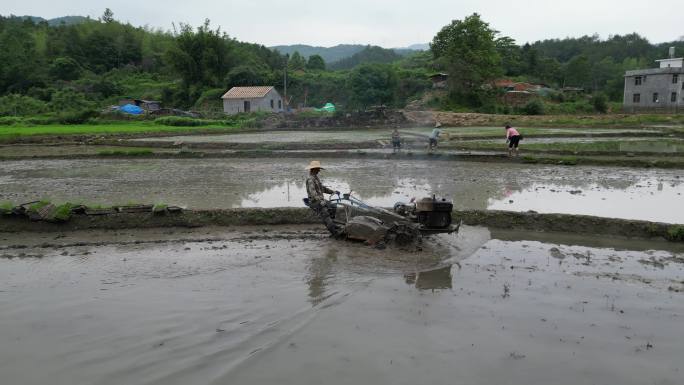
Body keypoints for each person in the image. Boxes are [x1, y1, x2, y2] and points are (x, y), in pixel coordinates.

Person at [305, 160, 343, 237]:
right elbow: (313, 193)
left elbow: (322, 188)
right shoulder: (310, 180)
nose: (319, 170)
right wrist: (321, 201)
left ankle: (332, 224)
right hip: (314, 201)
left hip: (320, 200)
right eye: (318, 169)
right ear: (314, 169)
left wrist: (333, 192)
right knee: (326, 214)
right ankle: (335, 233)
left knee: (333, 206)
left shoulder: (315, 178)